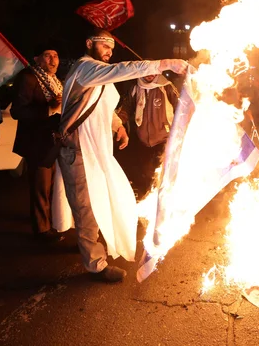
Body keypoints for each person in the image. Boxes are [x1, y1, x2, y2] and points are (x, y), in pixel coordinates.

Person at [56, 29, 187, 283]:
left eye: (112, 49)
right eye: (105, 46)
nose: (109, 52)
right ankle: (95, 263)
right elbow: (121, 70)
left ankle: (87, 243)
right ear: (88, 43)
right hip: (80, 149)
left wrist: (118, 128)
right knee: (86, 208)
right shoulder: (86, 68)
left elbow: (101, 106)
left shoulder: (95, 74)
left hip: (96, 148)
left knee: (95, 200)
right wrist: (164, 64)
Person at [11, 49, 64, 242]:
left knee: (51, 185)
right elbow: (18, 111)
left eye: (56, 56)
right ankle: (42, 230)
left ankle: (45, 218)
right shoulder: (28, 78)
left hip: (53, 141)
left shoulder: (57, 81)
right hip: (37, 141)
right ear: (36, 58)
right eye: (48, 55)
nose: (53, 60)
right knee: (41, 186)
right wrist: (49, 108)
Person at [122, 70, 179, 195]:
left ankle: (164, 198)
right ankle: (146, 198)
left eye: (153, 72)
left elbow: (179, 105)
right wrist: (118, 122)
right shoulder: (136, 88)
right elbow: (126, 107)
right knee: (145, 172)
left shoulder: (166, 86)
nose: (150, 75)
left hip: (163, 138)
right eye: (147, 72)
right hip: (142, 139)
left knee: (162, 173)